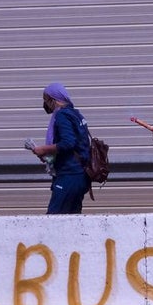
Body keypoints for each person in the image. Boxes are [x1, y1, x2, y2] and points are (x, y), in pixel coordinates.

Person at [30, 82, 91, 215]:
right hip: (80, 176)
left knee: (52, 221)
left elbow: (68, 143)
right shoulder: (75, 114)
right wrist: (50, 157)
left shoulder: (62, 115)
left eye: (46, 100)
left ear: (53, 100)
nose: (45, 104)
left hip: (68, 175)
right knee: (73, 221)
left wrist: (44, 149)